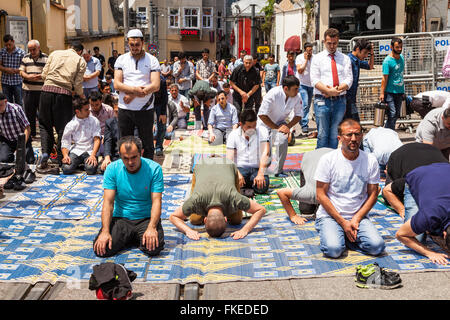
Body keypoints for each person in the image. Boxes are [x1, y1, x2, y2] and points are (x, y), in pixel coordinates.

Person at [314, 119, 385, 259]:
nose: (353, 139)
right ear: (340, 138)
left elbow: (373, 194)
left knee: (377, 247)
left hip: (357, 216)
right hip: (331, 216)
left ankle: (345, 237)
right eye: (349, 135)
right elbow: (320, 195)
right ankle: (339, 234)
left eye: (357, 134)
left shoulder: (370, 160)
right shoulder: (328, 159)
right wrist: (342, 222)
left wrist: (356, 219)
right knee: (333, 250)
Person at [93, 135, 165, 257]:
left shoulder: (154, 169)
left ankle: (131, 238)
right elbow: (108, 203)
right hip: (121, 218)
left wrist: (152, 227)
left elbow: (156, 201)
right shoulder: (112, 169)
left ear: (141, 153)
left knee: (154, 248)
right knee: (102, 249)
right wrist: (105, 231)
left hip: (145, 218)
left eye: (134, 157)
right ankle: (131, 238)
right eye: (125, 158)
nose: (130, 162)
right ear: (120, 155)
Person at [169, 158, 266, 240]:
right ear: (225, 218)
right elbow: (261, 209)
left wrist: (188, 231)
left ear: (205, 219)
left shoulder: (233, 197)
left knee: (236, 220)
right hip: (203, 165)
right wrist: (244, 230)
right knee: (195, 220)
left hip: (225, 165)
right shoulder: (197, 199)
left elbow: (173, 217)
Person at [38, 41, 86, 172]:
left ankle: (45, 153)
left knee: (44, 124)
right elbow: (77, 84)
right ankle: (60, 158)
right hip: (63, 94)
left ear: (69, 47)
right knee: (62, 128)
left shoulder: (54, 53)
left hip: (46, 91)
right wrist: (82, 97)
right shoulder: (80, 60)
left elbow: (43, 75)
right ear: (80, 51)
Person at [114, 29, 161, 160]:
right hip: (125, 109)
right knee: (124, 144)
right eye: (132, 45)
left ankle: (147, 174)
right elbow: (117, 84)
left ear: (142, 43)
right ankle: (126, 174)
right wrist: (135, 90)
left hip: (145, 109)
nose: (135, 47)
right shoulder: (121, 60)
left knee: (148, 145)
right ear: (128, 44)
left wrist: (132, 94)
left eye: (137, 44)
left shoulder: (152, 60)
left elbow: (156, 85)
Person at [396, 163, 450, 265]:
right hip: (418, 175)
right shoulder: (430, 215)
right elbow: (400, 234)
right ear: (444, 234)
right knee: (417, 239)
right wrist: (429, 253)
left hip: (445, 168)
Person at [381, 143, 448, 223]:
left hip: (431, 151)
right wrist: (401, 210)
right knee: (390, 196)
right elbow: (386, 191)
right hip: (400, 156)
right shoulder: (413, 180)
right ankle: (388, 170)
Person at [310, 28, 353, 149]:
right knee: (323, 134)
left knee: (335, 134)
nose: (332, 46)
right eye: (329, 43)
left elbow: (349, 79)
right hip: (322, 100)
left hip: (340, 100)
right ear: (324, 42)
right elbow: (314, 79)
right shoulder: (317, 58)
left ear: (338, 41)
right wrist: (328, 91)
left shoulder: (345, 58)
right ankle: (321, 162)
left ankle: (334, 163)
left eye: (334, 43)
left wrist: (335, 91)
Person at [257, 75, 303, 177]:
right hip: (264, 124)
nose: (297, 91)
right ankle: (260, 169)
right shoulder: (273, 93)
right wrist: (276, 127)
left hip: (280, 124)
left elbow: (299, 115)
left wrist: (288, 127)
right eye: (295, 89)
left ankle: (278, 171)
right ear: (286, 88)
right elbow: (262, 115)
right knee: (265, 153)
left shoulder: (297, 96)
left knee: (282, 140)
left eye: (298, 88)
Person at [276, 147, 333, 225]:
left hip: (331, 157)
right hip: (310, 157)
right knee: (305, 210)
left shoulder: (337, 195)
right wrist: (293, 216)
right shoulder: (310, 194)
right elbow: (281, 192)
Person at [226, 109, 270, 194]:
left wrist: (261, 173)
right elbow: (229, 159)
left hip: (257, 168)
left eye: (254, 126)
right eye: (249, 127)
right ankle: (247, 184)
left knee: (262, 187)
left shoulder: (262, 131)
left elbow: (265, 153)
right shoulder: (233, 135)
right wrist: (237, 174)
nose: (252, 129)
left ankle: (247, 185)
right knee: (231, 183)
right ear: (241, 124)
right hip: (240, 168)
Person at [0, 92, 35, 184]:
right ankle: (11, 173)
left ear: (6, 101)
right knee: (4, 160)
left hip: (22, 140)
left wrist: (21, 146)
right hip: (7, 140)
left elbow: (27, 128)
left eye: (0, 105)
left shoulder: (16, 109)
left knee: (29, 161)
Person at [61, 96, 101, 175]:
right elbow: (65, 141)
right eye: (86, 110)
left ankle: (84, 165)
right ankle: (80, 164)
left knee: (91, 170)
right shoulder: (71, 124)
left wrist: (93, 155)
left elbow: (97, 139)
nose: (89, 111)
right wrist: (65, 155)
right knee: (66, 169)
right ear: (77, 111)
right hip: (76, 150)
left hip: (90, 151)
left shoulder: (94, 120)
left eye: (88, 109)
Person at [19, 40, 48, 138]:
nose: (32, 51)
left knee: (43, 114)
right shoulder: (25, 57)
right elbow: (21, 71)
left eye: (34, 49)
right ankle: (32, 134)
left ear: (39, 48)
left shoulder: (46, 58)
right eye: (30, 50)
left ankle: (44, 134)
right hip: (28, 90)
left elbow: (48, 72)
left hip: (41, 90)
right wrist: (27, 76)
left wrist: (39, 76)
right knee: (29, 113)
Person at [380, 37, 405, 130]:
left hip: (399, 91)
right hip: (390, 92)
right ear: (391, 47)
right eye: (397, 47)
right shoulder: (387, 61)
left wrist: (403, 90)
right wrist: (382, 93)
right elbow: (384, 78)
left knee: (396, 114)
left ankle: (389, 131)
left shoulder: (402, 58)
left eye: (400, 47)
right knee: (392, 113)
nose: (399, 49)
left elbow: (400, 75)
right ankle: (388, 132)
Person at [346, 39, 374, 121]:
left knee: (353, 123)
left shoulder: (357, 61)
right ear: (358, 49)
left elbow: (370, 66)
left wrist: (372, 54)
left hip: (351, 99)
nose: (366, 56)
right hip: (345, 99)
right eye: (365, 53)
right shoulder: (348, 60)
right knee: (353, 124)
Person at [0, 34, 25, 106]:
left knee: (19, 102)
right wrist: (6, 69)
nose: (8, 47)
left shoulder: (21, 53)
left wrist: (15, 71)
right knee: (7, 103)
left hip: (17, 81)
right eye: (6, 45)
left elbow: (24, 66)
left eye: (9, 44)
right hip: (5, 82)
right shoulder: (2, 52)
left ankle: (19, 116)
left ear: (13, 41)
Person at [296, 42, 314, 135]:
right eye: (308, 50)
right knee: (306, 103)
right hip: (302, 84)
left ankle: (302, 119)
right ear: (305, 50)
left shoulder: (315, 58)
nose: (310, 52)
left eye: (311, 50)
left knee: (308, 104)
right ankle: (304, 124)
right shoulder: (299, 58)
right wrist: (306, 60)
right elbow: (300, 70)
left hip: (311, 85)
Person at [101, 103, 120, 172]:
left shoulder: (131, 122)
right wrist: (107, 157)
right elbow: (107, 140)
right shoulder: (109, 122)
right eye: (116, 111)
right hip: (114, 155)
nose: (118, 114)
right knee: (104, 168)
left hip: (127, 155)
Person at [153, 75, 168, 157]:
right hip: (147, 104)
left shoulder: (162, 80)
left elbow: (165, 97)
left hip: (160, 104)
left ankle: (159, 146)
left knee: (161, 126)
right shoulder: (146, 77)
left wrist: (163, 113)